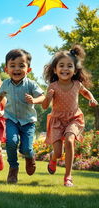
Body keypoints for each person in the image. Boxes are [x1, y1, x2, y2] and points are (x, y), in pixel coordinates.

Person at [42, 44, 97, 187]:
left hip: (73, 118)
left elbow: (85, 92)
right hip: (57, 120)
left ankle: (68, 177)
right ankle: (53, 159)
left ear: (74, 70)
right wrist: (48, 97)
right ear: (55, 69)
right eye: (61, 65)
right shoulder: (53, 86)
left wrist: (91, 98)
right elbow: (44, 106)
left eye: (69, 66)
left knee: (70, 140)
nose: (65, 69)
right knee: (59, 152)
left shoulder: (77, 84)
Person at [0, 49, 44, 184]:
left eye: (21, 65)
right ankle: (13, 168)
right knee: (11, 142)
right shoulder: (5, 84)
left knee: (26, 149)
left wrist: (34, 100)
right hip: (11, 119)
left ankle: (29, 156)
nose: (17, 69)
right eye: (13, 65)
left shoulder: (31, 84)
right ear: (6, 69)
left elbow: (42, 96)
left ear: (28, 69)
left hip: (28, 122)